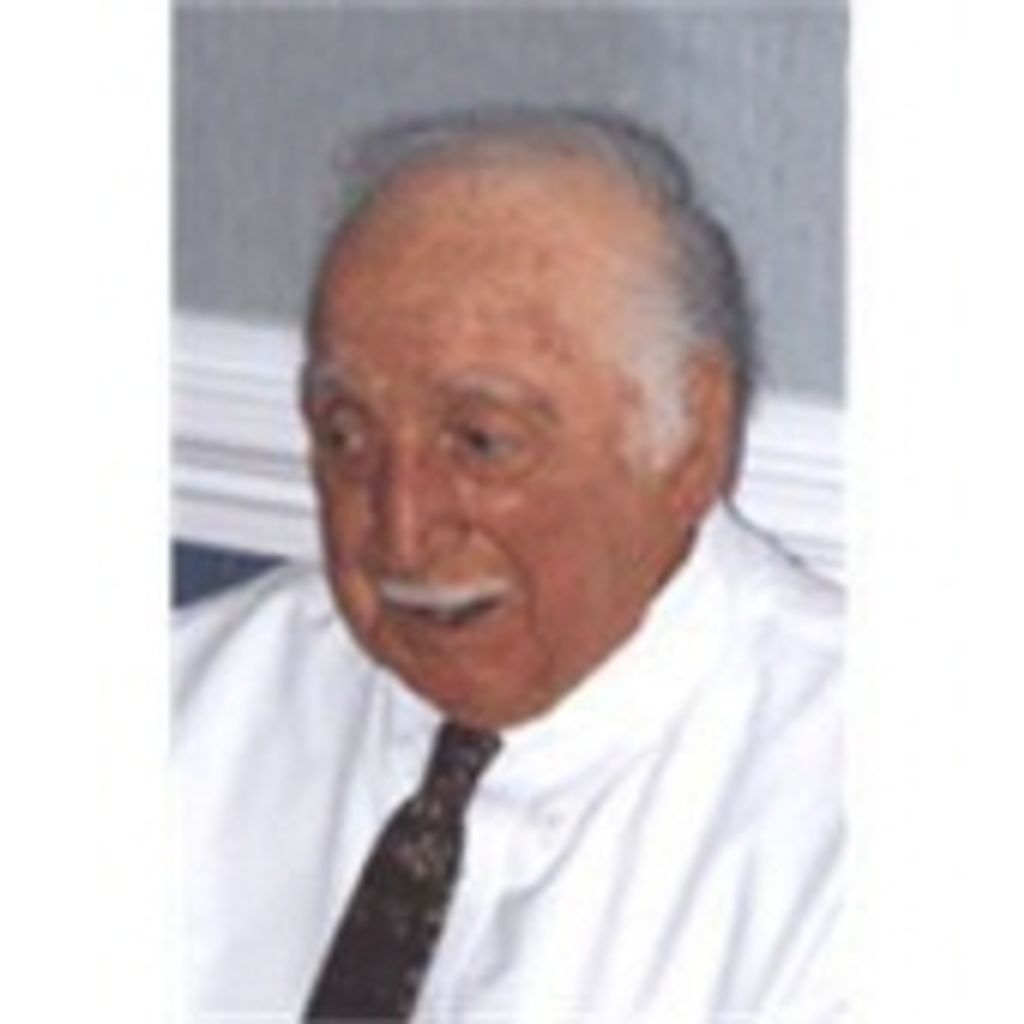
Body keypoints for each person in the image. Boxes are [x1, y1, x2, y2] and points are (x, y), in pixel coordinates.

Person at [173, 107, 843, 1022]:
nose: (402, 530)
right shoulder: (184, 708)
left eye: (482, 442)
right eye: (347, 436)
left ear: (691, 439)